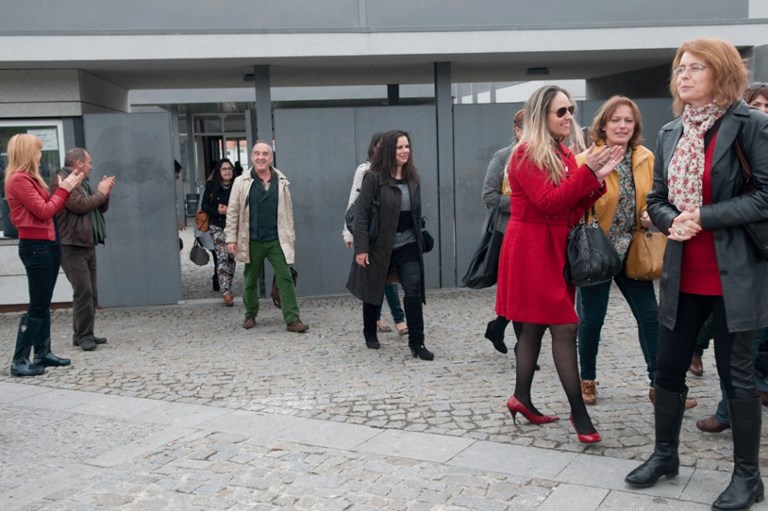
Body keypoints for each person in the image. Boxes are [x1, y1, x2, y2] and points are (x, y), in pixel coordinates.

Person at [624, 38, 768, 511]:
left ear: (721, 73)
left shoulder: (751, 124)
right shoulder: (671, 131)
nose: (683, 76)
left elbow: (765, 197)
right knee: (668, 368)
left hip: (735, 274)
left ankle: (748, 478)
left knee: (737, 375)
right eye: (680, 68)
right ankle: (665, 455)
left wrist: (704, 216)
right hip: (683, 272)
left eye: (696, 68)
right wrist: (672, 221)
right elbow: (657, 199)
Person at [495, 85, 623, 444]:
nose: (569, 117)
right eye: (561, 111)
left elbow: (570, 208)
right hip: (531, 249)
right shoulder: (525, 154)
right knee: (565, 327)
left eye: (571, 110)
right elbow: (550, 202)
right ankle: (578, 413)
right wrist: (589, 172)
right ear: (542, 116)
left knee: (534, 328)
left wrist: (596, 178)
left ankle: (521, 397)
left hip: (552, 247)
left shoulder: (562, 153)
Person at [573, 97, 698, 410]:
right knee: (592, 320)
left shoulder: (645, 157)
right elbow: (574, 202)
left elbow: (657, 198)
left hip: (634, 250)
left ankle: (659, 385)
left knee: (650, 318)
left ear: (636, 126)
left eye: (628, 121)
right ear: (603, 124)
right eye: (615, 120)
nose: (622, 126)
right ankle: (587, 379)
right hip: (597, 252)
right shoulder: (587, 159)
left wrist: (650, 215)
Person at [693, 82, 768, 433]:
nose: (763, 111)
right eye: (757, 105)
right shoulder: (740, 143)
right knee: (744, 340)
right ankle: (728, 410)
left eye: (767, 105)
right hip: (749, 251)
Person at [346, 130, 433, 359]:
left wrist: (422, 233)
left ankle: (417, 343)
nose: (405, 151)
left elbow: (416, 213)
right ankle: (369, 331)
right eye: (399, 147)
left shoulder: (413, 177)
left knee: (413, 288)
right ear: (388, 151)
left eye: (407, 147)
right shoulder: (373, 178)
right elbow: (362, 215)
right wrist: (361, 248)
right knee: (373, 289)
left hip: (408, 244)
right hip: (379, 245)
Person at [4, 133, 84, 376]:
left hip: (47, 243)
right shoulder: (19, 180)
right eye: (38, 150)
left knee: (43, 302)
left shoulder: (31, 179)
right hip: (36, 246)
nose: (40, 155)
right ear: (28, 153)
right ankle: (19, 360)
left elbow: (50, 208)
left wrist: (64, 190)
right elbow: (44, 210)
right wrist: (64, 190)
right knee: (38, 304)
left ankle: (42, 353)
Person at [225, 142, 308, 333]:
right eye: (257, 154)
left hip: (276, 239)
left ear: (271, 158)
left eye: (265, 154)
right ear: (252, 157)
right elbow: (233, 211)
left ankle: (292, 319)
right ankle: (250, 314)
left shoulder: (281, 181)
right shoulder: (241, 182)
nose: (261, 157)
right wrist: (231, 238)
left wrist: (290, 236)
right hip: (251, 239)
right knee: (250, 279)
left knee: (285, 277)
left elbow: (288, 213)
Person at [50, 148, 115, 352]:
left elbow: (98, 208)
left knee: (90, 291)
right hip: (71, 244)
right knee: (83, 291)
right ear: (78, 163)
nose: (91, 166)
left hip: (86, 242)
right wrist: (101, 193)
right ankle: (83, 336)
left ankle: (84, 333)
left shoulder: (82, 183)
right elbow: (80, 205)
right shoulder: (62, 181)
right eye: (89, 162)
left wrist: (105, 193)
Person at [343, 132, 408, 336]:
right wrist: (349, 233)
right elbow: (355, 204)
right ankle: (387, 320)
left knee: (387, 280)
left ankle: (392, 319)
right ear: (372, 148)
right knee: (377, 280)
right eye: (377, 145)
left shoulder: (396, 172)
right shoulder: (365, 171)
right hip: (372, 235)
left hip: (391, 236)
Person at [483, 109, 524, 355]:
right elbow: (488, 195)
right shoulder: (503, 157)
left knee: (524, 293)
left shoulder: (545, 157)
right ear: (517, 130)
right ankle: (523, 348)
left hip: (534, 235)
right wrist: (522, 203)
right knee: (518, 293)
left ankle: (497, 328)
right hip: (506, 233)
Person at [202, 158, 236, 306]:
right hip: (217, 226)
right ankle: (226, 292)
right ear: (219, 172)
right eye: (224, 169)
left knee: (231, 258)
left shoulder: (237, 186)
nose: (227, 171)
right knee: (222, 257)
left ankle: (227, 285)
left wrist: (230, 211)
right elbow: (204, 206)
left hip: (233, 227)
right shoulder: (212, 186)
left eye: (229, 168)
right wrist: (218, 211)